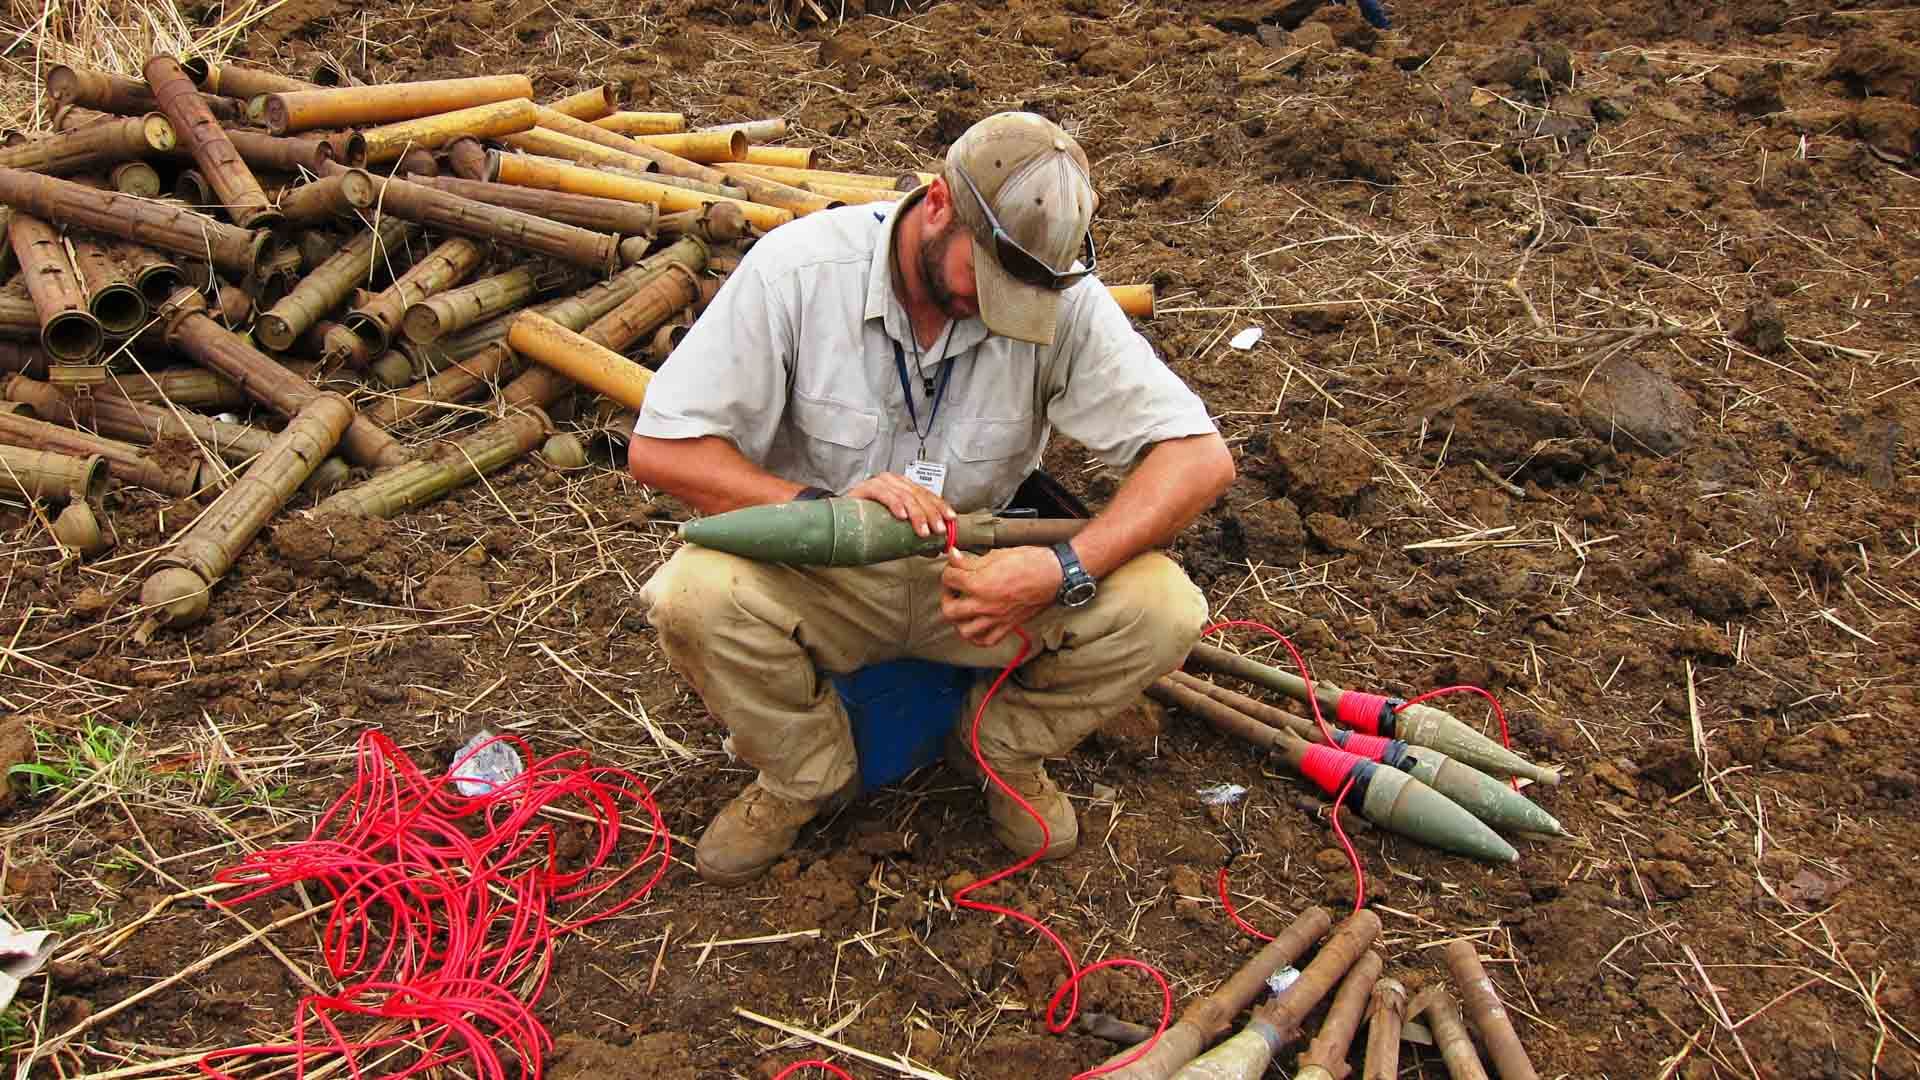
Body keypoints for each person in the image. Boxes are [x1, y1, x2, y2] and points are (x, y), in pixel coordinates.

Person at [629, 112, 1236, 886]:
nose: (999, 310)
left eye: (1023, 296)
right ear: (939, 203)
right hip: (825, 571)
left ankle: (999, 746)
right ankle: (802, 779)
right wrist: (821, 503)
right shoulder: (798, 272)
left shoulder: (1061, 302)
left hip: (981, 582)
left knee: (1164, 609)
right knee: (692, 594)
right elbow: (661, 448)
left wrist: (1059, 571)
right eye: (986, 285)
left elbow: (1199, 458)